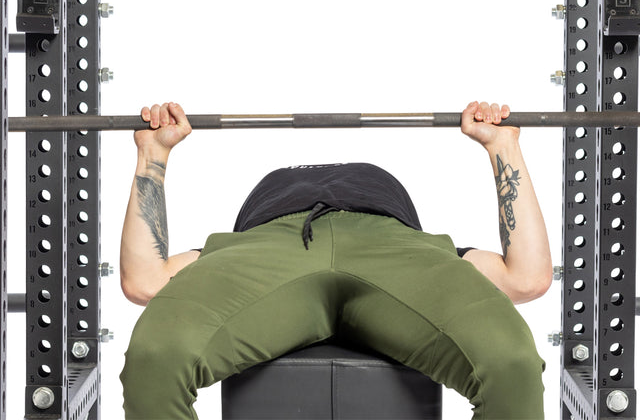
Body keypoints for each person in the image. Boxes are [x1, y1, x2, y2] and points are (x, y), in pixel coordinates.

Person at [119, 100, 552, 420]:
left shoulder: (423, 248)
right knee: (156, 358)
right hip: (267, 246)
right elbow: (143, 281)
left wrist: (503, 146)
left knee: (510, 365)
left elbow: (528, 277)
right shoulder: (233, 248)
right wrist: (153, 155)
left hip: (392, 246)